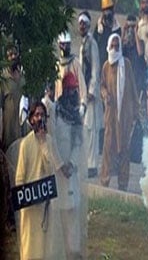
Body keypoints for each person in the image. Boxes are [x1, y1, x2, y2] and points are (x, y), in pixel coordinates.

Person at [15, 102, 66, 260]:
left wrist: (45, 144)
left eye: (42, 115)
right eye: (36, 115)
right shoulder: (25, 144)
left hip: (46, 203)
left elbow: (57, 167)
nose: (40, 118)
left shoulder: (50, 141)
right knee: (31, 245)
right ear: (31, 120)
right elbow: (19, 178)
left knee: (46, 245)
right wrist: (26, 197)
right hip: (31, 207)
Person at [52, 72, 88, 259]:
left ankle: (73, 251)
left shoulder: (75, 114)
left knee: (73, 209)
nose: (73, 93)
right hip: (57, 169)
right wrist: (59, 164)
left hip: (71, 171)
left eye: (75, 89)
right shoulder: (55, 110)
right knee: (59, 211)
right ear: (64, 90)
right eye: (70, 89)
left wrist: (71, 164)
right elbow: (52, 140)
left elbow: (78, 143)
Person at [100, 33, 140, 191]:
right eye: (113, 46)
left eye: (117, 46)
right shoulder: (106, 66)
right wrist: (105, 94)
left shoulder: (126, 65)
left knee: (124, 149)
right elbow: (102, 85)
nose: (115, 49)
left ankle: (123, 184)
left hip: (124, 116)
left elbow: (133, 88)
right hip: (111, 115)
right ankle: (105, 181)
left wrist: (136, 110)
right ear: (108, 47)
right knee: (108, 147)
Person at [78, 11, 102, 178]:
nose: (81, 26)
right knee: (85, 128)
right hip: (83, 91)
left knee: (92, 129)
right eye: (80, 24)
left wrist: (92, 90)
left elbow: (95, 67)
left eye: (84, 24)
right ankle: (86, 163)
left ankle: (92, 165)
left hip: (91, 93)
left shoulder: (91, 43)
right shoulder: (82, 43)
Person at [1, 44, 27, 151]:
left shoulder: (22, 77)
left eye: (15, 54)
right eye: (10, 55)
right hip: (8, 127)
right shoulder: (3, 78)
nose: (13, 57)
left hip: (21, 125)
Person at [93, 0, 122, 70]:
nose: (108, 12)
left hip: (114, 65)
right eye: (106, 10)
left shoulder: (117, 28)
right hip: (100, 64)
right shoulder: (99, 27)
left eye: (109, 9)